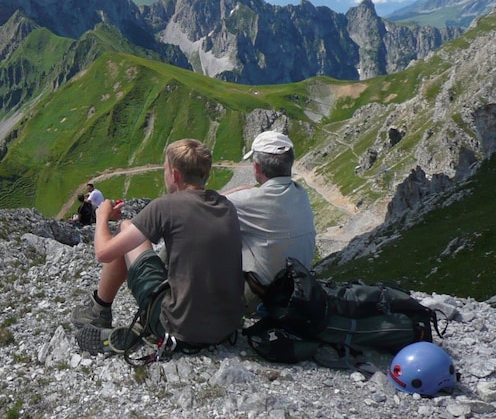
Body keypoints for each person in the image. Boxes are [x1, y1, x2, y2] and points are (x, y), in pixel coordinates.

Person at [71, 139, 244, 353]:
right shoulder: (226, 205)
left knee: (126, 228)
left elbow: (103, 253)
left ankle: (100, 311)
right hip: (226, 328)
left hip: (181, 329)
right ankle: (143, 321)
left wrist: (102, 216)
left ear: (175, 174)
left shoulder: (165, 206)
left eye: (165, 169)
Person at [222, 130, 316, 314]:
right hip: (298, 288)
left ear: (257, 168)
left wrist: (238, 190)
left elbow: (199, 205)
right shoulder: (300, 193)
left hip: (263, 295)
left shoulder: (246, 201)